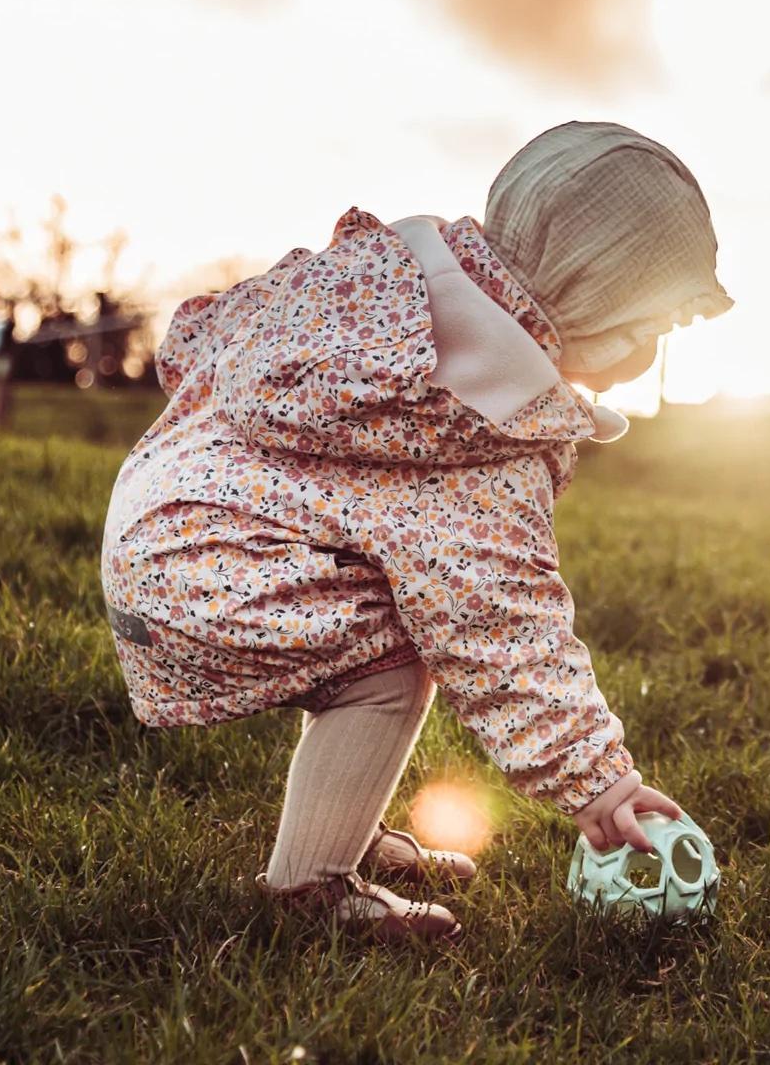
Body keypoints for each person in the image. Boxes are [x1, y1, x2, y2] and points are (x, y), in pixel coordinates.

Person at [100, 120, 734, 943]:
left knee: (373, 625)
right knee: (394, 662)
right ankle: (311, 890)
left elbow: (214, 339)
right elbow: (501, 628)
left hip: (163, 527)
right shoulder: (475, 421)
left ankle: (343, 826)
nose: (648, 352)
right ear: (595, 306)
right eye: (651, 328)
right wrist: (599, 781)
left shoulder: (392, 292)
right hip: (216, 569)